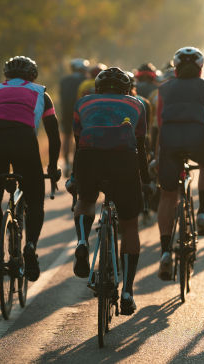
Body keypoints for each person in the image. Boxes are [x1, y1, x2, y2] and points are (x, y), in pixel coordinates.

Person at [68, 67, 150, 316]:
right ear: (126, 89)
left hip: (89, 158)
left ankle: (82, 241)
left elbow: (77, 140)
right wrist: (145, 179)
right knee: (130, 225)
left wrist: (74, 175)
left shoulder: (83, 103)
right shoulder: (137, 105)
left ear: (98, 88)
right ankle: (127, 292)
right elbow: (141, 144)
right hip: (124, 162)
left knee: (85, 201)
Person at [0, 56, 61, 282]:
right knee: (35, 201)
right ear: (33, 76)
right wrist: (52, 167)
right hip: (24, 142)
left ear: (6, 76)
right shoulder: (41, 93)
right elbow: (53, 135)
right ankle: (31, 246)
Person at [156, 47, 204, 280]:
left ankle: (164, 251)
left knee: (168, 195)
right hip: (197, 136)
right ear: (201, 68)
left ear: (175, 68)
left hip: (170, 140)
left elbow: (160, 125)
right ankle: (202, 212)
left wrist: (156, 155)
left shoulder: (164, 88)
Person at [59, 58, 89, 176]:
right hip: (81, 111)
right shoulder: (86, 80)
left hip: (66, 111)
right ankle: (78, 163)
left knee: (66, 137)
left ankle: (66, 163)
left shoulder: (64, 80)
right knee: (80, 137)